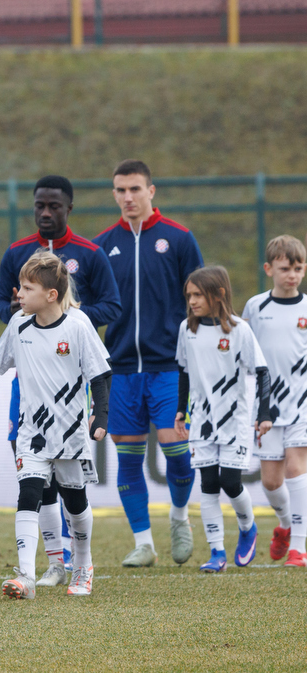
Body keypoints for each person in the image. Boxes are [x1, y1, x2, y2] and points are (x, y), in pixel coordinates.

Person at [0, 252, 110, 598]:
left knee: (75, 501)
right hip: (31, 433)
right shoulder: (19, 325)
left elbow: (100, 374)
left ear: (51, 295)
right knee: (29, 495)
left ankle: (83, 565)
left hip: (69, 433)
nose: (18, 293)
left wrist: (101, 415)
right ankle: (25, 576)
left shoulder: (77, 325)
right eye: (20, 287)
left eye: (27, 288)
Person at [0, 175, 122, 579]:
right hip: (29, 381)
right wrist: (24, 316)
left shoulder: (90, 253)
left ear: (69, 208)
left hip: (67, 386)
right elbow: (0, 301)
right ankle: (51, 563)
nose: (45, 212)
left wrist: (62, 320)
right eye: (39, 206)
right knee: (34, 476)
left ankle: (79, 560)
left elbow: (112, 306)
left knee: (70, 490)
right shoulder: (16, 253)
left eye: (53, 206)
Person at [94, 160, 204, 568]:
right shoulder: (102, 246)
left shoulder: (178, 238)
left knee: (177, 449)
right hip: (121, 369)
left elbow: (200, 298)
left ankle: (179, 516)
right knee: (127, 458)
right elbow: (88, 308)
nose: (128, 197)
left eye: (135, 189)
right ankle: (144, 543)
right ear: (114, 194)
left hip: (170, 367)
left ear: (151, 191)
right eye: (121, 190)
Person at [175, 266, 268, 573]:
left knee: (230, 481)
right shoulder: (187, 329)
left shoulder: (239, 330)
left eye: (198, 295)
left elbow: (262, 372)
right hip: (202, 419)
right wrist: (181, 410)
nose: (192, 301)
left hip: (234, 421)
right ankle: (217, 552)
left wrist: (263, 414)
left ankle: (248, 527)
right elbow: (184, 371)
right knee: (209, 483)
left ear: (219, 294)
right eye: (189, 295)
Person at [242, 235, 307, 566]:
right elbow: (243, 353)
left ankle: (298, 547)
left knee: (296, 467)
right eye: (285, 269)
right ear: (269, 269)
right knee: (270, 481)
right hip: (266, 406)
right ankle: (284, 524)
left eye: (298, 268)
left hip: (302, 402)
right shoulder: (255, 307)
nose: (292, 275)